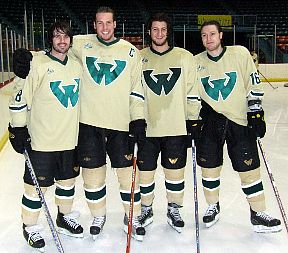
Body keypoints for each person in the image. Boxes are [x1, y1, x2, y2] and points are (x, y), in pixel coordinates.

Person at [195, 20, 281, 233]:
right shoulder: (195, 62)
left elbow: (253, 84)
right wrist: (194, 119)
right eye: (204, 35)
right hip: (210, 122)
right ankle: (212, 206)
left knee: (249, 169)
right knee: (209, 168)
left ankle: (258, 213)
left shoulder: (240, 54)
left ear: (221, 35)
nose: (209, 39)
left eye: (212, 34)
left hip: (239, 121)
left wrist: (256, 114)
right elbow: (191, 95)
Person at [69, 6, 146, 241]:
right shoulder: (80, 44)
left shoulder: (131, 52)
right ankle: (98, 216)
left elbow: (136, 89)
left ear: (115, 24)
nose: (104, 27)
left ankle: (131, 215)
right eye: (99, 23)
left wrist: (138, 118)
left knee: (127, 175)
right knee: (93, 176)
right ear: (94, 25)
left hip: (120, 124)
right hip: (89, 123)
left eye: (108, 23)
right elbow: (55, 50)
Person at [8, 21, 83, 252]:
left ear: (71, 40)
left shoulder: (77, 65)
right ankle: (29, 226)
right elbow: (19, 95)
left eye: (66, 37)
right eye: (57, 37)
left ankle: (64, 216)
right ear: (50, 40)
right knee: (35, 189)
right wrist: (17, 128)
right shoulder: (37, 63)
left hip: (69, 139)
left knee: (67, 184)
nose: (62, 41)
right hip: (42, 141)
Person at [138, 12, 201, 233]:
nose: (159, 33)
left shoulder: (185, 57)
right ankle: (146, 208)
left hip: (175, 127)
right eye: (155, 29)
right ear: (149, 31)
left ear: (168, 31)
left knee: (175, 173)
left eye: (163, 29)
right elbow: (133, 93)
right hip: (147, 127)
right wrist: (134, 120)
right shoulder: (139, 57)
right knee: (145, 173)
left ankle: (174, 208)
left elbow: (193, 91)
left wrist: (193, 120)